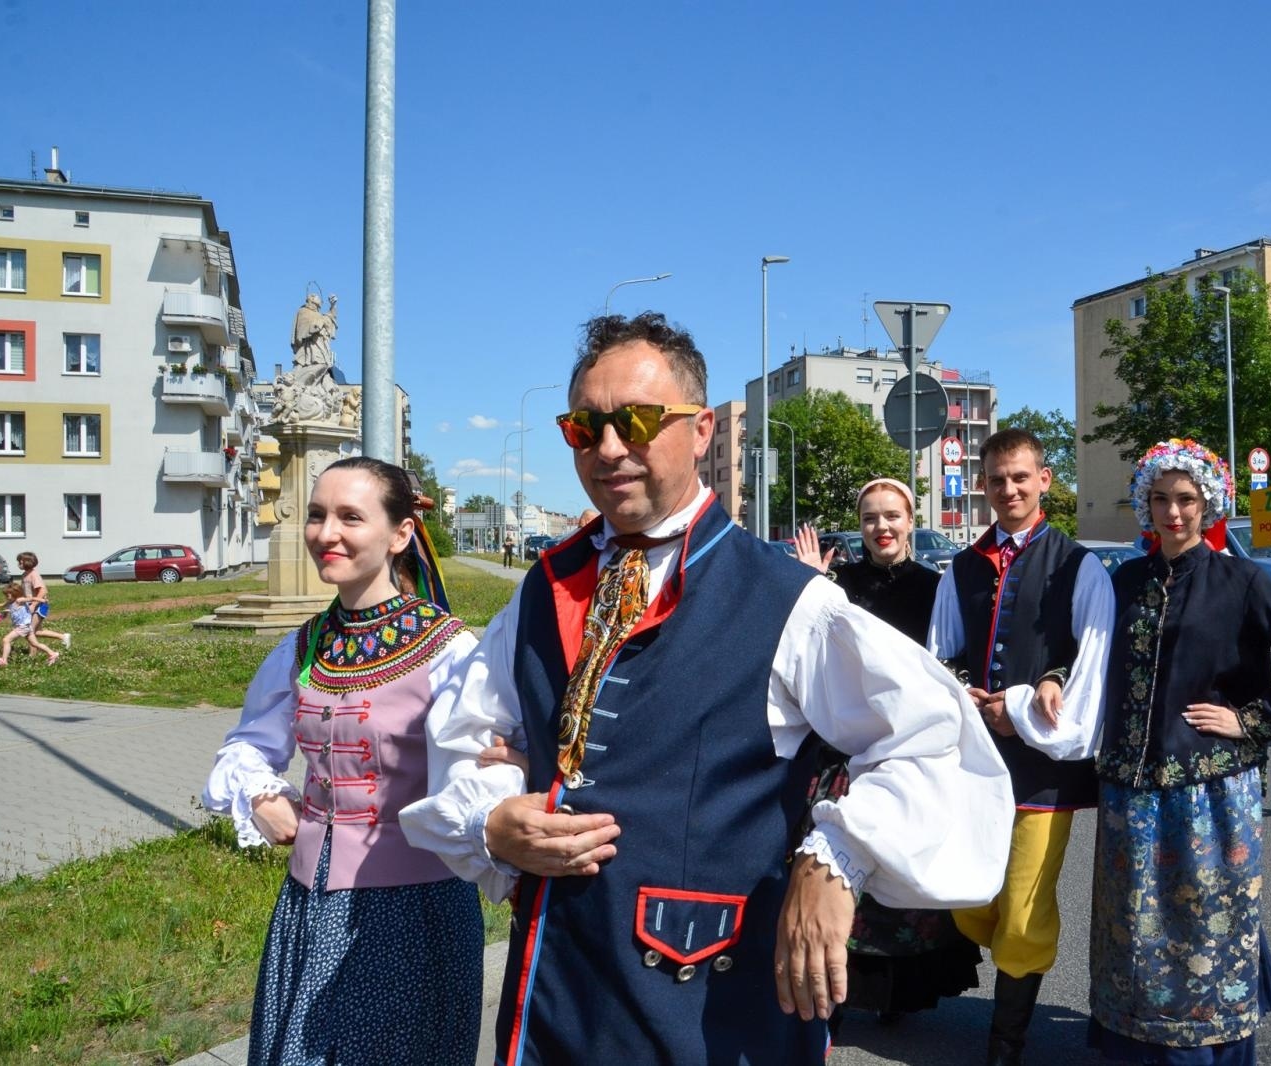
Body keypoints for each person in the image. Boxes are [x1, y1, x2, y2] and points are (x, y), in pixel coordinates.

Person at [399, 312, 1012, 1066]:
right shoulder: (544, 589)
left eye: (637, 420)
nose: (610, 447)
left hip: (709, 1012)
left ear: (701, 432)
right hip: (556, 998)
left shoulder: (787, 600)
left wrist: (837, 857)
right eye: (586, 428)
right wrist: (491, 818)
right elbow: (468, 733)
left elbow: (938, 742)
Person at [202, 456, 484, 1066]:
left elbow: (481, 778)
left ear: (400, 534)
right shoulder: (303, 644)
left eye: (350, 517)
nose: (327, 533)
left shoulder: (450, 649)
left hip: (417, 909)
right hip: (310, 904)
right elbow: (250, 741)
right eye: (317, 515)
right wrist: (260, 794)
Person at [1088, 439, 1271, 1063]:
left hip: (1209, 792)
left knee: (1206, 924)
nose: (1173, 512)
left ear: (1208, 506)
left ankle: (1209, 1049)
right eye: (1160, 499)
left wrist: (1251, 720)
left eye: (1186, 500)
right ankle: (1136, 1044)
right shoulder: (1123, 580)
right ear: (1144, 504)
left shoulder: (1240, 579)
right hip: (1130, 789)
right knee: (1133, 931)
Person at [927, 427, 1114, 1066]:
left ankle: (1005, 1045)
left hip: (1043, 770)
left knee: (1025, 908)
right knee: (969, 900)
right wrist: (964, 699)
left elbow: (1091, 664)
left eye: (1020, 477)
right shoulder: (960, 566)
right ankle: (990, 959)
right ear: (983, 486)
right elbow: (940, 655)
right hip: (974, 762)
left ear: (1044, 481)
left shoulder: (1078, 565)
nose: (1009, 489)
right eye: (998, 479)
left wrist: (1029, 705)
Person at [790, 478, 984, 1025]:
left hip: (908, 746)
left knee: (899, 871)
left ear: (909, 519)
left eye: (893, 516)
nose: (882, 527)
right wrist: (806, 585)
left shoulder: (933, 587)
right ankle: (832, 993)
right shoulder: (837, 583)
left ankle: (896, 996)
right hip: (843, 745)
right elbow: (805, 646)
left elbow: (951, 657)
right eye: (871, 517)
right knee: (838, 868)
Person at [0, 581, 59, 666]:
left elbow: (31, 599)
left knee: (6, 640)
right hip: (27, 627)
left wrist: (41, 600)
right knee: (35, 644)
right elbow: (4, 605)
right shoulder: (10, 602)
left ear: (15, 593)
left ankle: (4, 661)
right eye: (5, 595)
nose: (6, 597)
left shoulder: (19, 600)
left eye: (8, 595)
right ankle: (52, 654)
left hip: (22, 627)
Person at [15, 551, 71, 650]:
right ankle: (63, 637)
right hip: (30, 605)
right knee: (37, 631)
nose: (18, 564)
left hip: (39, 606)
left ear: (27, 562)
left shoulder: (33, 574)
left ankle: (32, 657)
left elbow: (43, 590)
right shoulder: (25, 575)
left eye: (20, 561)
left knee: (30, 631)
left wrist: (33, 605)